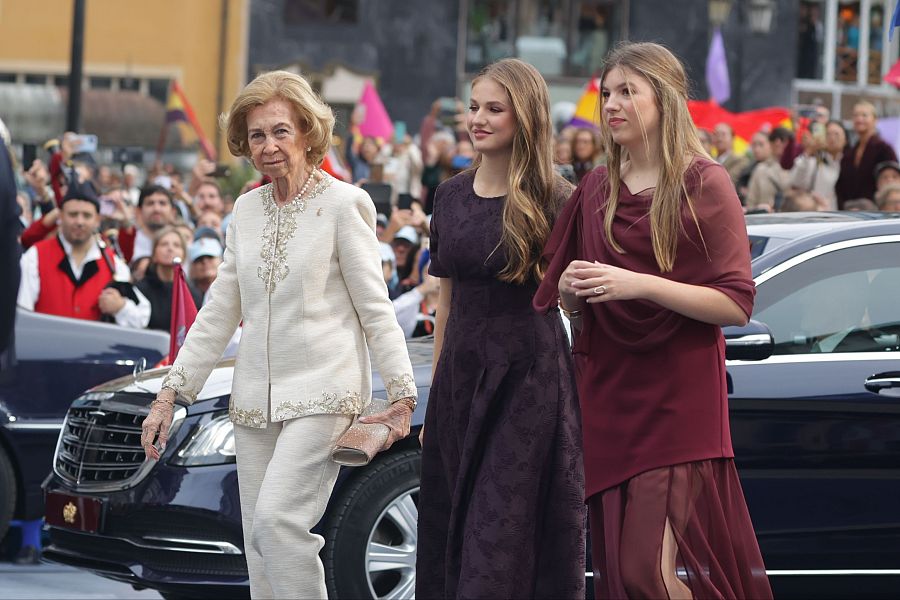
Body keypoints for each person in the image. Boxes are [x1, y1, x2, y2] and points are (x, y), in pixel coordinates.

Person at [139, 70, 417, 599]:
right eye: (257, 135)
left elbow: (376, 309)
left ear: (309, 132)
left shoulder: (344, 204)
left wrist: (402, 395)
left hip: (324, 393)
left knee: (277, 525)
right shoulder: (244, 210)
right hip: (254, 402)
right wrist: (171, 393)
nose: (267, 146)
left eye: (280, 131)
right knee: (258, 542)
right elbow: (219, 310)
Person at [535, 42, 772, 599]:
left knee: (645, 572)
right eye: (608, 93)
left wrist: (639, 284)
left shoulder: (704, 183)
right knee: (620, 573)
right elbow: (573, 305)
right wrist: (571, 291)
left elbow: (736, 303)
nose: (612, 104)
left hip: (677, 399)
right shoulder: (595, 189)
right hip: (609, 393)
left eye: (627, 93)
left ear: (663, 101)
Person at [416, 57, 585, 599]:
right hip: (461, 376)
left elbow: (573, 299)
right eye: (473, 107)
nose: (478, 119)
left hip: (529, 379)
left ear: (525, 117)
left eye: (494, 108)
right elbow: (445, 301)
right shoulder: (448, 195)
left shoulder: (557, 197)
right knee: (454, 527)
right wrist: (437, 394)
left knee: (501, 531)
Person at [17, 180, 150, 328]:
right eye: (73, 214)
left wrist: (121, 307)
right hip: (43, 348)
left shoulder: (112, 264)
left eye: (87, 215)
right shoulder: (35, 256)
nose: (79, 221)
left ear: (97, 220)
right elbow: (22, 313)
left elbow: (142, 316)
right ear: (60, 216)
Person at [135, 227, 203, 331]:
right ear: (154, 254)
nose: (170, 248)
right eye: (164, 244)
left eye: (176, 245)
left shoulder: (193, 295)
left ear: (184, 256)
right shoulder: (139, 290)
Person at [835, 100, 897, 209]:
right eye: (856, 115)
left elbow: (893, 182)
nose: (859, 119)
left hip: (876, 211)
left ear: (875, 120)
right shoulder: (849, 153)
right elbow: (840, 186)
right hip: (849, 211)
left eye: (864, 115)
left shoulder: (884, 149)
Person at [789, 119, 846, 210]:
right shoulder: (814, 160)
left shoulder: (849, 162)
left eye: (836, 134)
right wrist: (809, 152)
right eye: (828, 134)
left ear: (845, 139)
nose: (832, 138)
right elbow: (796, 181)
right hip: (818, 213)